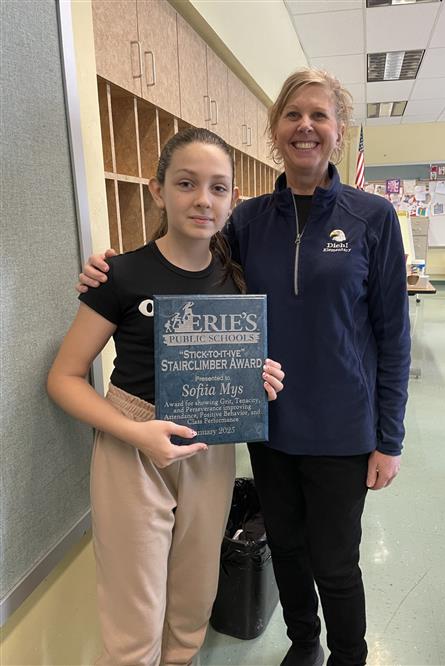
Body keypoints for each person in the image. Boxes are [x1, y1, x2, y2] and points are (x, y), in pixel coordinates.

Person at [78, 69, 411, 666]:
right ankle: (304, 644)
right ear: (275, 128)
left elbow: (393, 336)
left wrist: (390, 439)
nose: (305, 126)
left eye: (319, 115)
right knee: (285, 546)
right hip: (264, 422)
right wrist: (108, 265)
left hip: (343, 427)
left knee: (335, 559)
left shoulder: (373, 219)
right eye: (292, 115)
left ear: (338, 130)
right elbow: (184, 253)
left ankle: (349, 655)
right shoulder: (247, 219)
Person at [48, 127, 284, 666]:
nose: (203, 199)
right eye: (186, 183)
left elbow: (237, 367)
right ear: (158, 191)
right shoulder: (120, 274)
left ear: (232, 200)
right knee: (134, 626)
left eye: (218, 188)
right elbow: (63, 377)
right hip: (132, 442)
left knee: (191, 609)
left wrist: (259, 380)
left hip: (209, 445)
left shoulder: (236, 281)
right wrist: (134, 432)